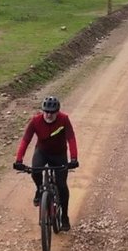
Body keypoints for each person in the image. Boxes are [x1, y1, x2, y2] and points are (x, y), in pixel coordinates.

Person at [13, 95, 79, 231]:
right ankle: (39, 189)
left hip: (59, 154)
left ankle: (64, 217)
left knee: (61, 186)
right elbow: (25, 140)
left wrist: (73, 159)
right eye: (46, 112)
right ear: (42, 111)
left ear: (57, 112)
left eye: (52, 112)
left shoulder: (64, 119)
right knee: (35, 171)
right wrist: (18, 160)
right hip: (42, 152)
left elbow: (71, 139)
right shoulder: (35, 121)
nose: (48, 115)